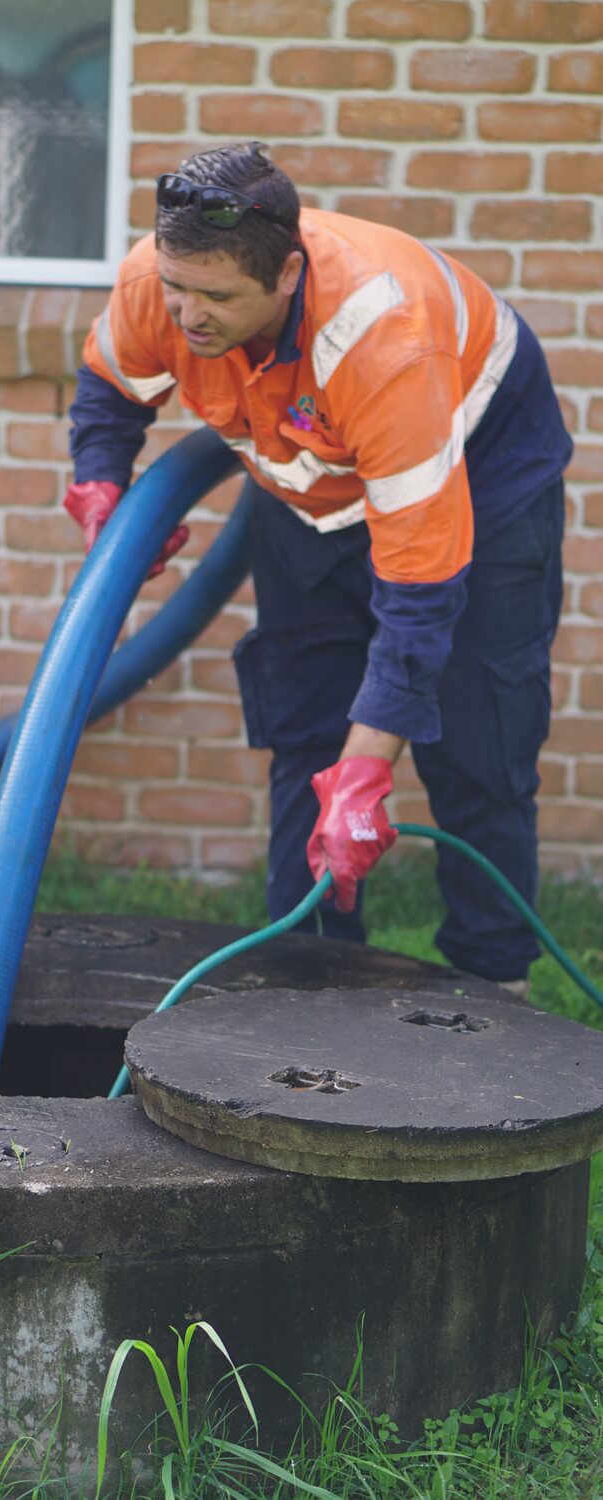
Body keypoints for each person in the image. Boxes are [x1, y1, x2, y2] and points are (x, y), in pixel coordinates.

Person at [64, 141, 572, 992]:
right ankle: (309, 981)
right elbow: (110, 390)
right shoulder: (160, 282)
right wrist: (102, 486)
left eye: (216, 298)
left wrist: (371, 766)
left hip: (478, 475)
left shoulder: (380, 340)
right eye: (177, 288)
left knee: (477, 742)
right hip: (309, 489)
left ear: (287, 276)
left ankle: (495, 997)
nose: (187, 316)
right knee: (307, 738)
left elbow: (419, 586)